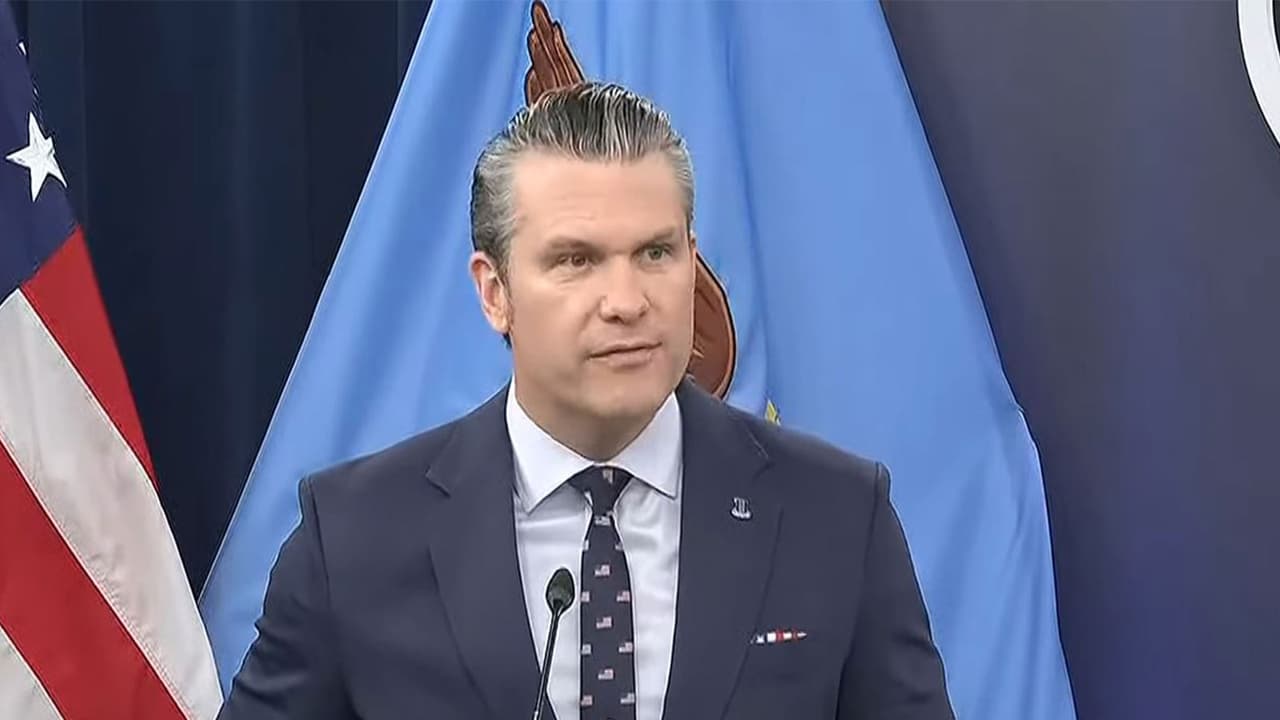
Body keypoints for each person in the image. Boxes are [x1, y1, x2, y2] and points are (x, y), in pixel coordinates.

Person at [218, 82, 954, 720]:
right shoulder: (354, 538)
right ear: (494, 292)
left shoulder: (837, 515)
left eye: (656, 253)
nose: (627, 302)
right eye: (577, 260)